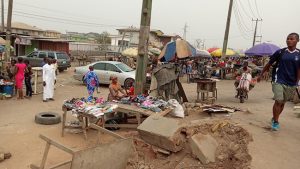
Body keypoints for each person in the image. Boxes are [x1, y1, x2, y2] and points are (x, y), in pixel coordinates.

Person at [258, 33, 300, 131]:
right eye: (287, 39)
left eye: (291, 39)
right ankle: (276, 122)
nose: (288, 40)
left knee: (283, 103)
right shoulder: (280, 52)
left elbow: (299, 69)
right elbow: (269, 63)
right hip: (278, 79)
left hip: (291, 82)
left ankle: (274, 118)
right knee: (278, 100)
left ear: (297, 41)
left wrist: (297, 82)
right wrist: (261, 74)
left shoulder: (299, 54)